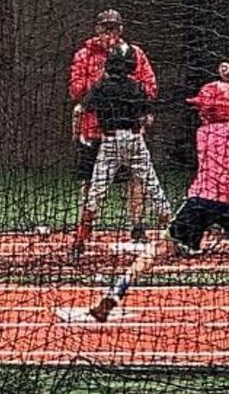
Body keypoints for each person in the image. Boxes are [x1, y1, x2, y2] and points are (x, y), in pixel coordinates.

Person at [85, 73, 229, 333]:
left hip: (199, 201)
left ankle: (117, 290)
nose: (201, 113)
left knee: (160, 249)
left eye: (205, 108)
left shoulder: (203, 133)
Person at [70, 43, 173, 256]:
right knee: (152, 185)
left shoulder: (101, 86)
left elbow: (81, 109)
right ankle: (174, 233)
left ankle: (81, 239)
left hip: (109, 141)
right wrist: (140, 124)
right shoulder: (137, 87)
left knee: (96, 189)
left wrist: (78, 136)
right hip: (135, 139)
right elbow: (147, 117)